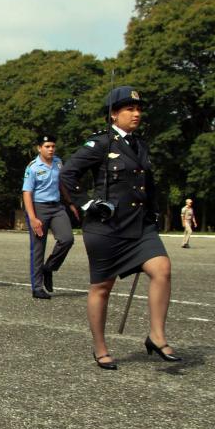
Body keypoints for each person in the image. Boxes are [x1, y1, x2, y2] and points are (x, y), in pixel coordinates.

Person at [60, 85, 181, 370]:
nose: (136, 114)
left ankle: (156, 336)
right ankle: (100, 347)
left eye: (138, 109)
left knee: (162, 268)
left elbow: (147, 184)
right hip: (106, 227)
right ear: (114, 114)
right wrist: (87, 204)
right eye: (129, 109)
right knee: (102, 287)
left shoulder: (140, 145)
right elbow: (67, 174)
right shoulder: (101, 144)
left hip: (139, 227)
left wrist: (153, 213)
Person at [22, 135, 76, 299]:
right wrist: (32, 218)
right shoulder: (32, 167)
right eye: (47, 146)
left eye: (53, 146)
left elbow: (60, 184)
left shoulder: (58, 162)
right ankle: (37, 288)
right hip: (39, 208)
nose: (51, 149)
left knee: (67, 239)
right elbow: (27, 193)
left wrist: (70, 203)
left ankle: (49, 268)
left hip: (57, 207)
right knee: (38, 249)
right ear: (39, 148)